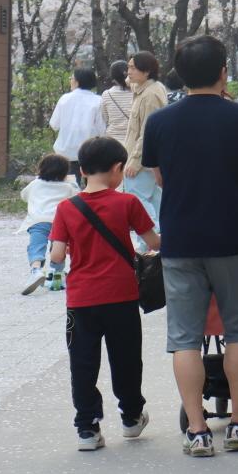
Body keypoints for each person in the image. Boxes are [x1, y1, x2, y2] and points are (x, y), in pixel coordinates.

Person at [141, 35, 238, 457]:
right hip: (233, 236)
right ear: (224, 72)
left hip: (181, 240)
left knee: (184, 337)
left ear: (180, 74)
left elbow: (159, 178)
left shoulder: (161, 122)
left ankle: (198, 431)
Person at [48, 136, 161, 452]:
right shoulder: (127, 203)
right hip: (122, 296)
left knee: (83, 364)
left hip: (82, 300)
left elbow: (57, 256)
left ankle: (87, 428)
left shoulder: (66, 208)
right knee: (126, 359)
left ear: (81, 170)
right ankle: (131, 418)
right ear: (118, 168)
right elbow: (153, 243)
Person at [18, 153, 78, 295]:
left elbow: (23, 196)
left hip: (38, 221)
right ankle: (57, 276)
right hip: (59, 222)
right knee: (58, 249)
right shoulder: (68, 186)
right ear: (65, 172)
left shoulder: (35, 184)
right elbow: (77, 198)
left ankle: (36, 270)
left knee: (36, 246)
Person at [123, 52, 168, 228]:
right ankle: (160, 239)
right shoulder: (146, 87)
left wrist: (135, 161)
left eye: (133, 67)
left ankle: (152, 241)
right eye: (128, 67)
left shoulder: (150, 95)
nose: (129, 72)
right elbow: (129, 81)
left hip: (142, 159)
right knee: (154, 200)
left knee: (139, 200)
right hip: (147, 158)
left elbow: (147, 133)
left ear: (147, 71)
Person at [50, 68, 105, 184]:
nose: (70, 80)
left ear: (77, 81)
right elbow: (102, 129)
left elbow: (54, 124)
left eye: (72, 78)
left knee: (69, 188)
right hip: (90, 152)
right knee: (93, 188)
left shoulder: (64, 99)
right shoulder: (98, 101)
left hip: (65, 152)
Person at [100, 61, 133, 143]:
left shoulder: (107, 94)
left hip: (112, 141)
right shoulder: (137, 93)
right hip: (133, 140)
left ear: (113, 77)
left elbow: (105, 118)